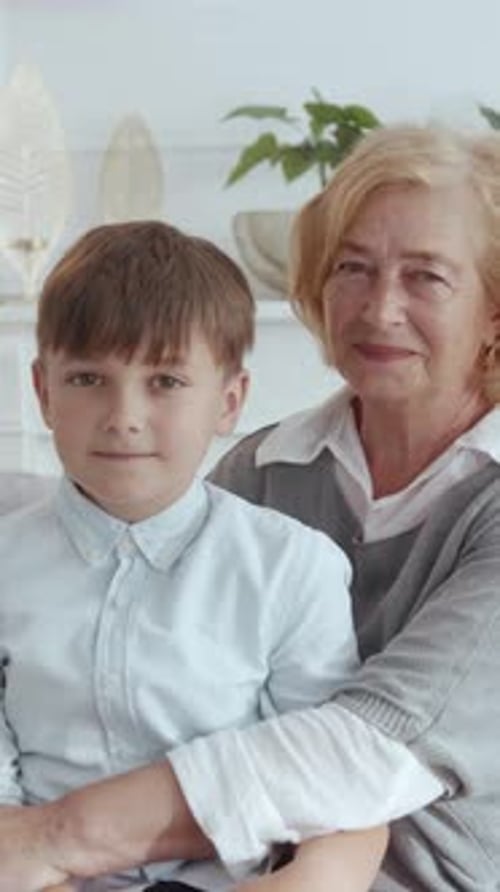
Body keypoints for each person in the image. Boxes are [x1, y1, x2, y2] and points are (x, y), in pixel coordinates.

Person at [2, 121, 500, 891]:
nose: (378, 308)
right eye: (353, 268)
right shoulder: (263, 465)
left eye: (425, 277)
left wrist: (49, 839)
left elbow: (369, 751)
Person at [0, 220, 388, 892]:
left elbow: (320, 770)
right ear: (42, 392)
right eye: (89, 378)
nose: (124, 415)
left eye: (166, 382)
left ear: (229, 401)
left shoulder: (291, 567)